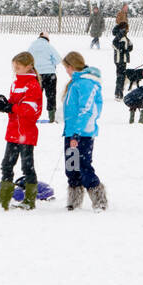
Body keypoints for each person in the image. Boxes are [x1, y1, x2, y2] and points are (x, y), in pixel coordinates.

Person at [0, 51, 43, 210]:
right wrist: (4, 105)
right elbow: (14, 105)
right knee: (7, 164)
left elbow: (31, 110)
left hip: (26, 133)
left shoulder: (33, 85)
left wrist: (11, 107)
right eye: (14, 67)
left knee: (27, 167)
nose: (16, 70)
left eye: (18, 67)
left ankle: (29, 200)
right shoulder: (15, 83)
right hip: (13, 131)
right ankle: (4, 198)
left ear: (28, 67)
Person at [61, 51, 106, 211]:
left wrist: (77, 133)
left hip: (83, 134)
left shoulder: (86, 83)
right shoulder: (75, 83)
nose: (66, 70)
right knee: (71, 167)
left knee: (84, 166)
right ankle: (74, 200)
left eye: (66, 67)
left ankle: (99, 199)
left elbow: (85, 110)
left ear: (71, 66)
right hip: (71, 132)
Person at [28, 32, 62, 123]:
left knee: (35, 96)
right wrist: (51, 64)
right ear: (47, 39)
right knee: (51, 96)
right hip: (50, 74)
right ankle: (52, 118)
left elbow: (27, 58)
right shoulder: (48, 46)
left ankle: (33, 116)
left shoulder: (32, 46)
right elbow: (58, 59)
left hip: (37, 75)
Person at [111, 21, 132, 100]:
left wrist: (128, 48)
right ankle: (119, 93)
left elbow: (129, 45)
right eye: (127, 28)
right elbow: (114, 43)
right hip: (120, 59)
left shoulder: (124, 36)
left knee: (121, 76)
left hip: (122, 59)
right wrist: (121, 49)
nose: (128, 30)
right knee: (121, 77)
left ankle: (118, 93)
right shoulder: (120, 35)